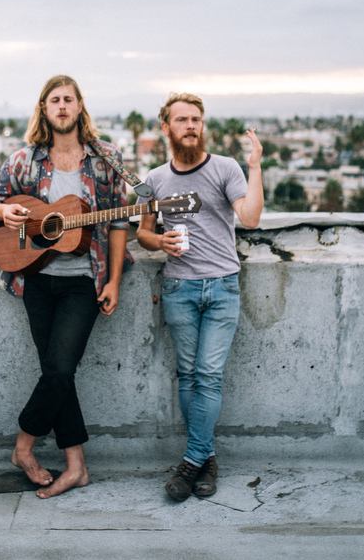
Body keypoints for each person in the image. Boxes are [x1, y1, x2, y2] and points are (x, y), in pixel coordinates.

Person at [0, 75, 129, 499]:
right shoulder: (24, 161)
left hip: (84, 280)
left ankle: (23, 446)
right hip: (36, 279)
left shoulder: (106, 160)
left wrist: (114, 281)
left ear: (80, 106)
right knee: (58, 374)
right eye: (54, 100)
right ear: (44, 109)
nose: (62, 106)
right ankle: (77, 466)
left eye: (68, 99)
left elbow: (119, 223)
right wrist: (3, 212)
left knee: (59, 369)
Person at [136, 92, 262, 501]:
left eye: (196, 119)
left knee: (208, 374)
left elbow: (250, 218)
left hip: (222, 286)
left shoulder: (225, 168)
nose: (190, 126)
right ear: (166, 127)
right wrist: (160, 241)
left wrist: (255, 166)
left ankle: (190, 461)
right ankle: (207, 462)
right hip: (179, 287)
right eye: (182, 119)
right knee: (188, 375)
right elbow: (143, 233)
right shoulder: (155, 179)